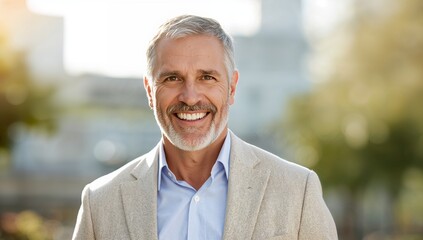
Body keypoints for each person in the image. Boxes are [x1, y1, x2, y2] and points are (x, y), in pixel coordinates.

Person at [72, 15, 338, 240]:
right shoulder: (100, 202)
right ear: (150, 91)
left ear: (232, 87)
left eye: (207, 77)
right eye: (172, 78)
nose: (190, 97)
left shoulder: (297, 191)